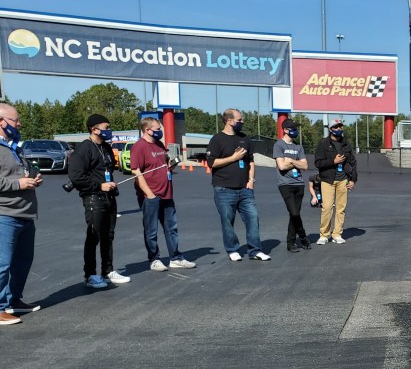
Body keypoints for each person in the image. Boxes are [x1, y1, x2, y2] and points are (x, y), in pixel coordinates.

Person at [68, 114, 129, 288]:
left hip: (109, 197)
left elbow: (107, 170)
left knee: (108, 236)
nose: (109, 130)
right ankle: (90, 275)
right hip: (93, 197)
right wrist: (99, 185)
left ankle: (108, 271)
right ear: (94, 129)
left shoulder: (107, 148)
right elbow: (75, 175)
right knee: (93, 236)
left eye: (109, 127)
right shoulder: (84, 149)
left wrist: (110, 185)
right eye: (106, 127)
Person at [130, 117, 196, 272]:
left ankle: (175, 258)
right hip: (151, 196)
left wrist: (172, 164)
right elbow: (136, 171)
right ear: (147, 130)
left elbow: (165, 164)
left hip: (167, 193)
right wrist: (149, 194)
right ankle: (154, 259)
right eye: (157, 129)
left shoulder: (159, 145)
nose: (160, 132)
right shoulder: (138, 147)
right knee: (151, 229)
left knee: (171, 227)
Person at [206, 109, 270, 261]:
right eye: (240, 120)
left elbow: (251, 161)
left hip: (245, 188)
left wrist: (251, 180)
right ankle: (232, 249)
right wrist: (233, 158)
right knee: (228, 221)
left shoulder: (245, 139)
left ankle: (255, 250)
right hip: (224, 188)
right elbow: (212, 163)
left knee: (253, 218)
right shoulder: (217, 139)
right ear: (229, 121)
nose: (242, 122)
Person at [0, 103, 41, 325]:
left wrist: (32, 179)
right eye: (15, 120)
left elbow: (19, 175)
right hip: (4, 214)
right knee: (2, 264)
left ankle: (14, 300)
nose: (19, 124)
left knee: (22, 262)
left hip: (25, 214)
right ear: (1, 122)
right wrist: (18, 184)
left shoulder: (14, 147)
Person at [313, 119, 356, 245]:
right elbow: (318, 163)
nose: (339, 129)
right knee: (326, 208)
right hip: (327, 180)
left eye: (340, 127)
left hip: (343, 180)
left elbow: (353, 163)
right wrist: (333, 161)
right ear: (331, 129)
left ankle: (337, 233)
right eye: (336, 127)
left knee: (341, 208)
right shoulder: (323, 143)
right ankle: (324, 235)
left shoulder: (346, 144)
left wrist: (353, 179)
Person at [273, 119, 311, 252]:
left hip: (299, 183)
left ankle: (290, 243)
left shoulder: (298, 146)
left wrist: (291, 161)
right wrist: (296, 162)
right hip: (285, 184)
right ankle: (303, 236)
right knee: (294, 213)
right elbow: (282, 166)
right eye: (293, 129)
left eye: (296, 128)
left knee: (294, 214)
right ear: (285, 130)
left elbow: (305, 166)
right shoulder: (278, 145)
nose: (296, 131)